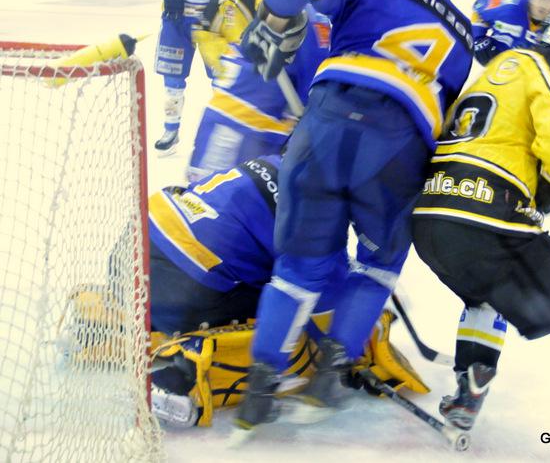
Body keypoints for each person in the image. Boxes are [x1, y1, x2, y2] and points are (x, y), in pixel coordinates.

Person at [233, 0, 473, 432]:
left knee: (296, 270)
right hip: (398, 146)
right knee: (376, 268)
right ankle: (330, 376)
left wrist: (272, 17)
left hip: (321, 124)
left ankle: (260, 388)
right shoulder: (465, 36)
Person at [412, 10, 550, 463]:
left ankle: (466, 394)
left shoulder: (502, 67)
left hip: (432, 218)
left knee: (486, 297)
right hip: (488, 215)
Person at [143, 156, 427, 427]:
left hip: (140, 248)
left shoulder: (276, 162)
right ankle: (183, 377)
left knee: (261, 272)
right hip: (186, 287)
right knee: (290, 331)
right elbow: (326, 317)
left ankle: (131, 323)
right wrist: (360, 346)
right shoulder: (321, 220)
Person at [187, 0, 331, 182]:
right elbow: (206, 30)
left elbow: (315, 51)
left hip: (283, 102)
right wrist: (225, 65)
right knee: (218, 179)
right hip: (241, 92)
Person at [141, 0, 240, 156]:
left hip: (214, 25)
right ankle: (171, 130)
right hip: (176, 21)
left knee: (223, 80)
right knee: (172, 80)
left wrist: (220, 6)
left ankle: (226, 131)